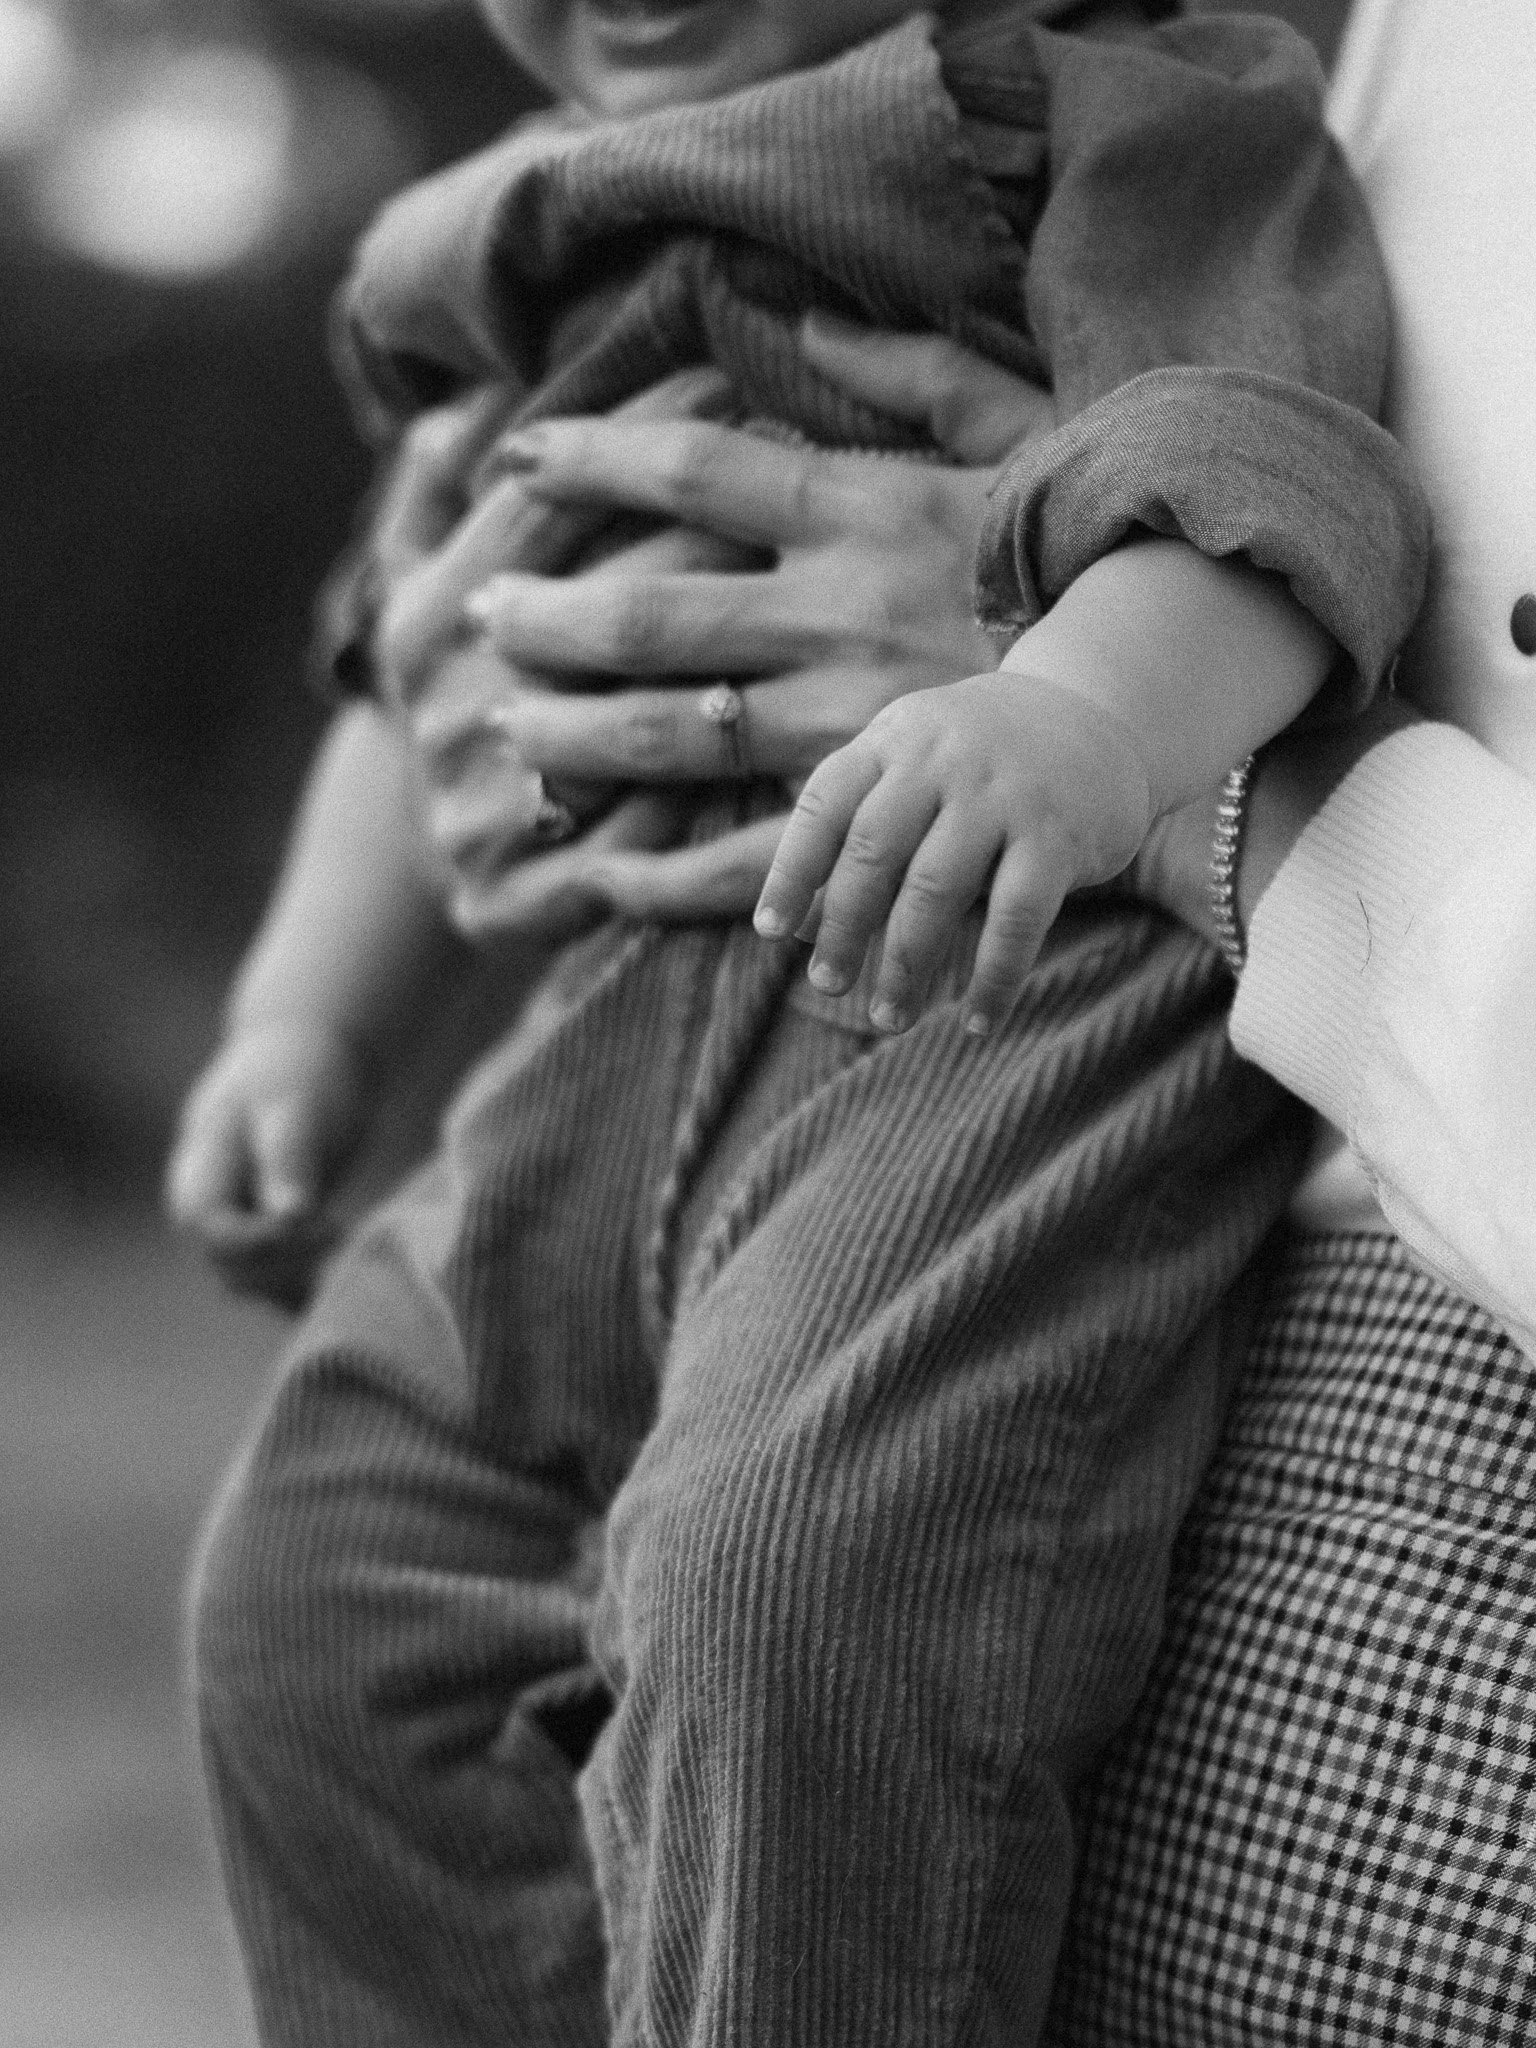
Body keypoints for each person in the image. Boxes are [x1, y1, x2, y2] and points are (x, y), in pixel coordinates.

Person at [176, 4, 1428, 2046]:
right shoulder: (511, 235)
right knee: (313, 1596)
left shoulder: (1089, 105)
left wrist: (1080, 714)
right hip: (596, 1051)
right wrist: (298, 1024)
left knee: (794, 1575)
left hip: (991, 1001)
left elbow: (1260, 468)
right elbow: (403, 681)